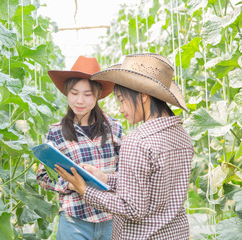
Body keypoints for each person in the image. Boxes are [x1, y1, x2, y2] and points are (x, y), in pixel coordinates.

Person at [55, 53, 194, 239]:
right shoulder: (182, 136)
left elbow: (132, 208)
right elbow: (149, 187)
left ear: (143, 96)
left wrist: (84, 190)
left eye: (121, 99)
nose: (121, 108)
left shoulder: (137, 142)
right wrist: (105, 178)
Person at [36, 56, 124, 240]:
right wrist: (69, 184)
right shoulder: (56, 132)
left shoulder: (115, 128)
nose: (79, 100)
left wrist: (108, 178)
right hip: (74, 221)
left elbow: (129, 171)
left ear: (97, 95)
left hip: (111, 218)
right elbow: (42, 176)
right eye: (74, 93)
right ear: (67, 93)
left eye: (87, 94)